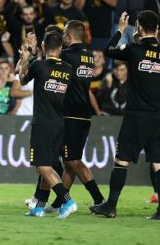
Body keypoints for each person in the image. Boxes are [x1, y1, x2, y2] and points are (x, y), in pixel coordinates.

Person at [91, 10, 160, 220]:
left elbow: (108, 50)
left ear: (138, 27)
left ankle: (110, 206)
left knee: (122, 161)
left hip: (136, 116)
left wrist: (120, 30)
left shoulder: (134, 50)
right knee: (159, 163)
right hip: (158, 117)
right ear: (157, 29)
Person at [18, 29, 78, 219]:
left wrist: (26, 57)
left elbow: (22, 80)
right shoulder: (68, 68)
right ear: (61, 48)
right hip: (59, 123)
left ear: (43, 46)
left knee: (42, 167)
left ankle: (67, 201)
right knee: (49, 166)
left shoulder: (39, 66)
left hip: (42, 123)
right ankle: (39, 208)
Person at [53, 21, 105, 209]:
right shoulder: (88, 55)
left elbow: (50, 63)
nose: (63, 38)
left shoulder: (67, 55)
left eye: (64, 35)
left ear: (69, 36)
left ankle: (99, 199)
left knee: (73, 160)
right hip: (84, 113)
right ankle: (59, 203)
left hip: (71, 114)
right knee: (69, 162)